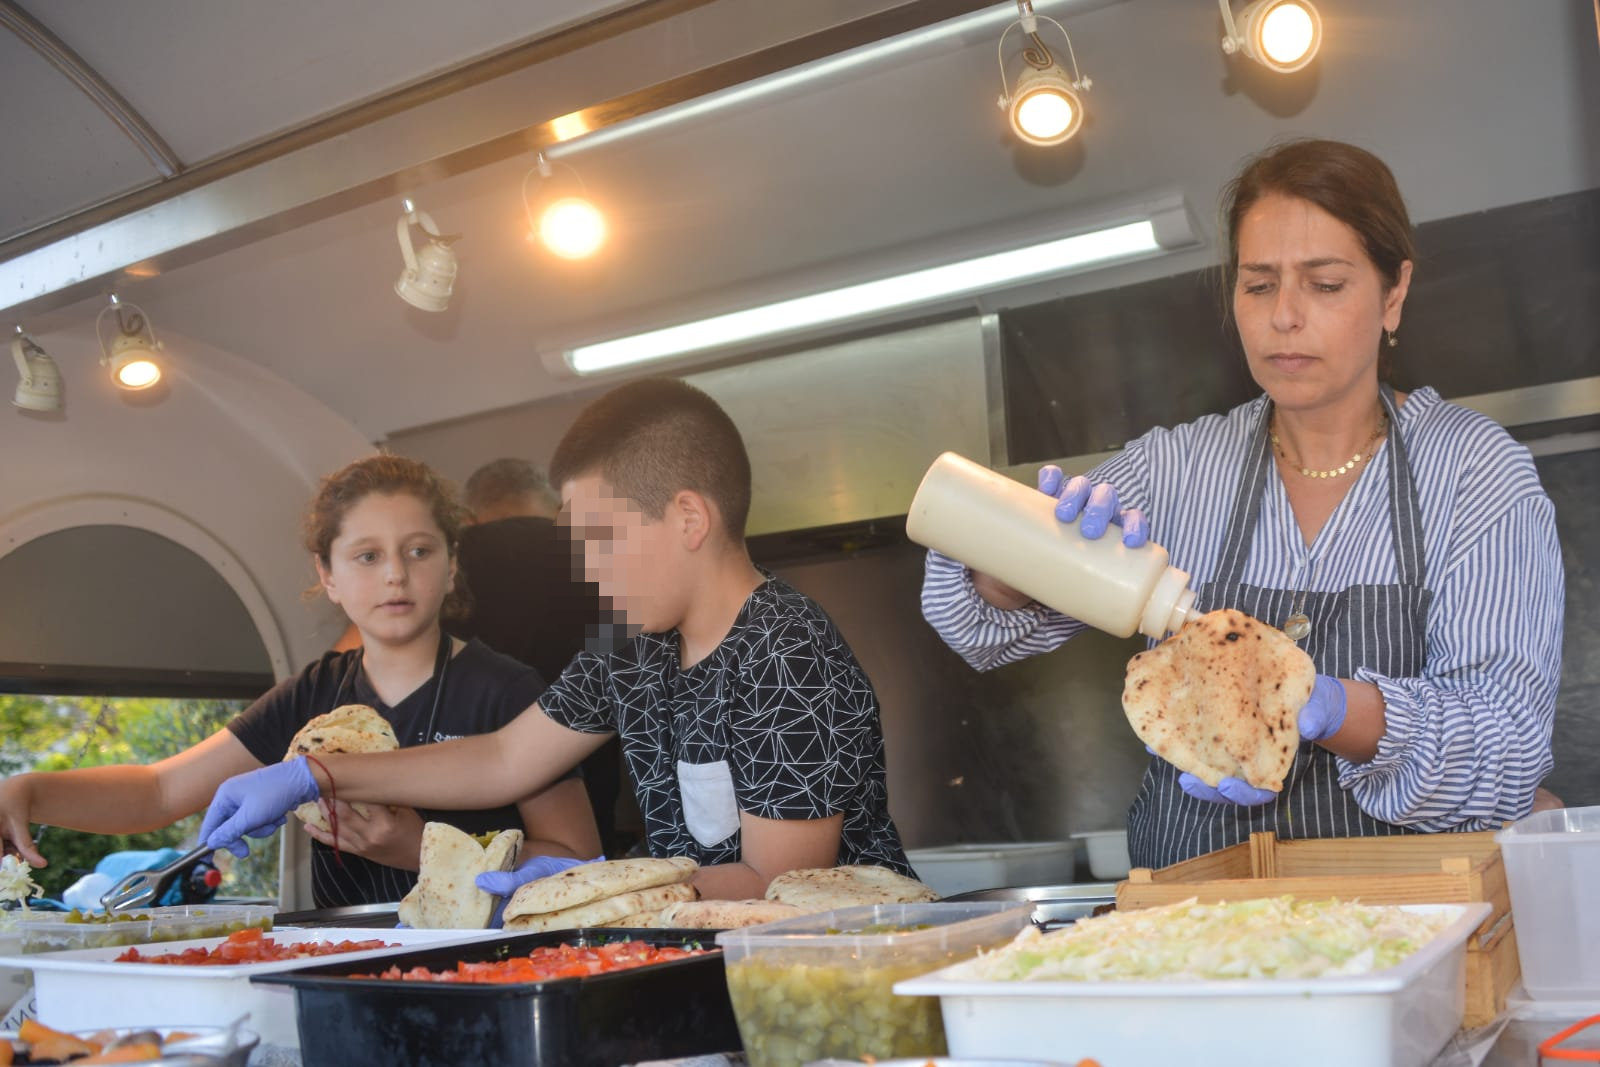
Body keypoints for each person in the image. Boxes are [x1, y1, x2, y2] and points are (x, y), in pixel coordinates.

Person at [922, 138, 1563, 869]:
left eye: (1324, 285)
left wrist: (1331, 707)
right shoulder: (1176, 469)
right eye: (1259, 285)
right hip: (1193, 929)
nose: (1284, 316)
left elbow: (1508, 747)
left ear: (1393, 293)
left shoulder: (1475, 473)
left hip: (1405, 928)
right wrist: (1010, 570)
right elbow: (973, 628)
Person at [199, 379, 914, 900]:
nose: (590, 572)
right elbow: (506, 757)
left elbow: (776, 885)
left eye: (602, 540)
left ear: (689, 518)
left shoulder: (784, 650)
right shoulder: (632, 647)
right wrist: (316, 775)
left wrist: (590, 881)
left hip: (838, 977)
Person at [0, 456, 601, 907]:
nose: (396, 575)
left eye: (419, 551)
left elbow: (577, 858)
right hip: (339, 959)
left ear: (451, 566)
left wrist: (427, 853)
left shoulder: (507, 691)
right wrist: (31, 791)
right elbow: (158, 792)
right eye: (367, 556)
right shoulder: (312, 697)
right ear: (328, 575)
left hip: (481, 963)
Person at [454, 457, 629, 858]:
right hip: (585, 792)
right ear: (557, 510)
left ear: (467, 516)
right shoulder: (595, 554)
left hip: (460, 793)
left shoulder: (445, 563)